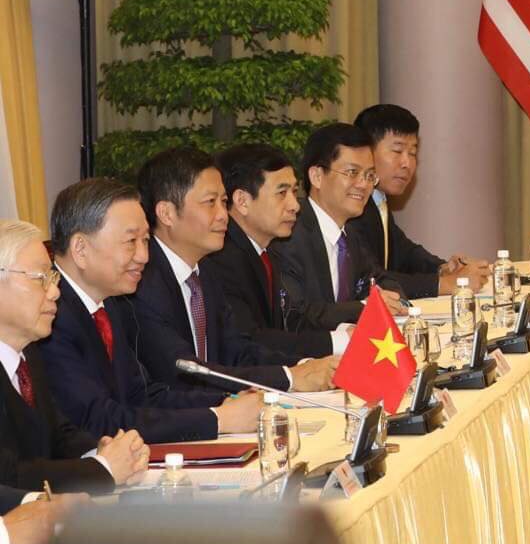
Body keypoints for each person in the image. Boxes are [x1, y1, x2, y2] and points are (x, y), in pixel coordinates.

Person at [44, 178, 265, 442]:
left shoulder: (110, 304)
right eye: (131, 241)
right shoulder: (50, 316)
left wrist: (226, 401)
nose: (144, 256)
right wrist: (218, 419)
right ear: (80, 249)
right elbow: (99, 419)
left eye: (146, 240)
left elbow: (142, 396)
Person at [132, 147, 339, 396]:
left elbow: (238, 350)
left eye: (223, 202)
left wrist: (305, 367)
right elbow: (184, 372)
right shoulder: (143, 283)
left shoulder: (205, 270)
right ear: (166, 213)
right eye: (210, 203)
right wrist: (290, 378)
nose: (223, 215)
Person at [0, 218, 149, 493]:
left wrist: (100, 451)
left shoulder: (29, 354)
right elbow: (7, 476)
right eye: (40, 278)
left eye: (53, 278)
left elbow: (58, 435)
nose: (55, 292)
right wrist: (102, 468)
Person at [269, 123, 436, 333]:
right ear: (317, 176)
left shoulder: (351, 232)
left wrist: (394, 300)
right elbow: (296, 316)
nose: (363, 184)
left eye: (369, 175)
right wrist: (365, 307)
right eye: (352, 172)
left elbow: (381, 279)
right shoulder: (288, 234)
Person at [206, 143, 350, 361]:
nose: (295, 206)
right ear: (242, 201)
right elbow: (250, 340)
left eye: (294, 192)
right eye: (282, 193)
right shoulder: (221, 259)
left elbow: (292, 320)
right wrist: (338, 341)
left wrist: (344, 331)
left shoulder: (268, 252)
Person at [350, 104, 489, 285]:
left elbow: (404, 252)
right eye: (397, 151)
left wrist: (443, 268)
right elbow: (372, 277)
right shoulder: (353, 205)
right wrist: (445, 284)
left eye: (413, 153)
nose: (407, 163)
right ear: (365, 152)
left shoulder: (378, 199)